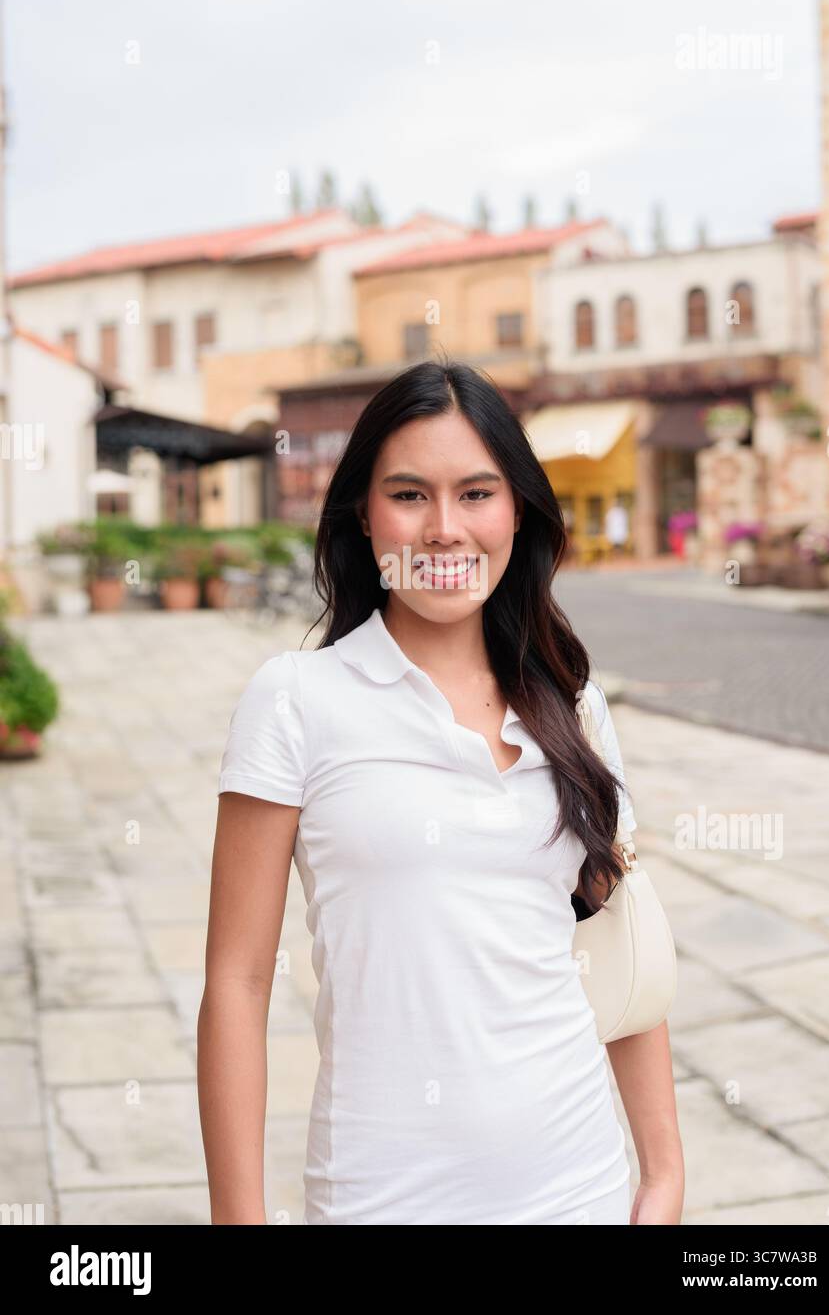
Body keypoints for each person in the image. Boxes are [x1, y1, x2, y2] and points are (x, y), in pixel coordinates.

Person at [198, 357, 684, 1226]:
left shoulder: (570, 702)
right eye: (410, 494)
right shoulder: (296, 701)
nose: (444, 529)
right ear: (363, 510)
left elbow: (614, 932)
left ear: (517, 510)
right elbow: (236, 981)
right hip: (381, 1199)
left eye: (476, 493)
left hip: (582, 1188)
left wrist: (661, 1175)